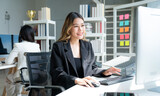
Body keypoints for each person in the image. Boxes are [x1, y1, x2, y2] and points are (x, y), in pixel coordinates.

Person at [50, 12, 120, 94]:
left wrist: (104, 72)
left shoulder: (87, 45)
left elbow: (93, 68)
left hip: (85, 89)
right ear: (68, 28)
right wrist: (76, 80)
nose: (80, 29)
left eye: (82, 25)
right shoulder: (58, 47)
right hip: (67, 90)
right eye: (76, 26)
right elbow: (57, 73)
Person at [5, 25, 41, 96]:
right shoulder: (36, 46)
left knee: (9, 78)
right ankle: (18, 93)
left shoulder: (18, 45)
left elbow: (8, 62)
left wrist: (14, 61)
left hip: (24, 76)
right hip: (35, 75)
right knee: (18, 76)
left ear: (21, 35)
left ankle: (16, 94)